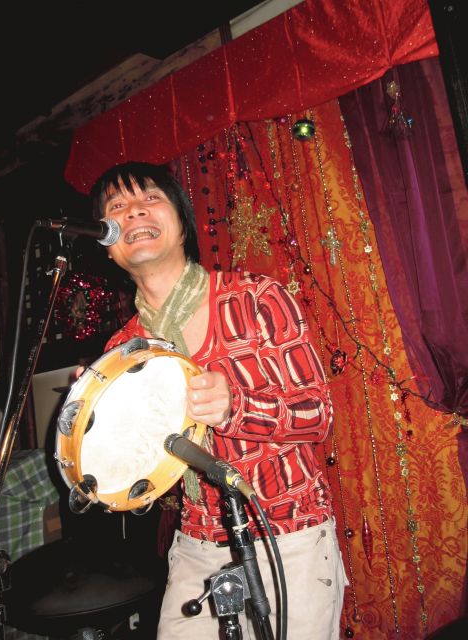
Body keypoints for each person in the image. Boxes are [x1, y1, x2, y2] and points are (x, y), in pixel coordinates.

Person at [89, 161, 348, 639]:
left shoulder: (255, 298)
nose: (134, 212)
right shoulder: (121, 352)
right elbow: (146, 475)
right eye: (117, 206)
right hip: (198, 544)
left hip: (288, 535)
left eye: (150, 198)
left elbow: (319, 416)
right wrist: (98, 442)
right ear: (108, 244)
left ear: (183, 222)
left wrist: (236, 408)